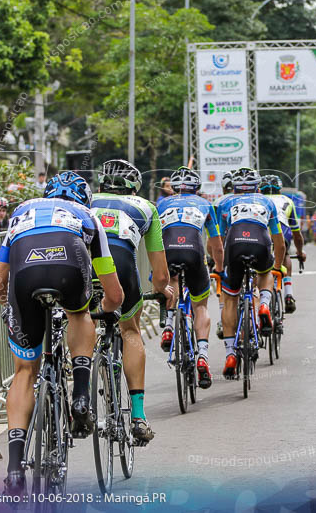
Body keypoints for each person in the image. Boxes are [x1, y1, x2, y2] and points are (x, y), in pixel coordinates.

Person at [0, 171, 124, 495]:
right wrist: (102, 307)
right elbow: (115, 295)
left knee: (24, 371)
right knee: (79, 314)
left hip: (24, 278)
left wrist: (12, 307)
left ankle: (15, 468)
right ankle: (79, 396)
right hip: (69, 265)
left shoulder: (22, 211)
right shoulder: (88, 216)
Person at [90, 159, 175, 444]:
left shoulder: (85, 201)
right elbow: (161, 274)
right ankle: (138, 416)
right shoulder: (146, 207)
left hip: (84, 266)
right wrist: (162, 290)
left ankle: (80, 374)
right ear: (134, 187)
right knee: (130, 330)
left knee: (80, 316)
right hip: (123, 267)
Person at [215, 167, 286, 379]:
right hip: (261, 245)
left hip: (234, 247)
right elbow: (279, 242)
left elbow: (217, 241)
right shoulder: (267, 202)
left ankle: (230, 354)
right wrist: (276, 267)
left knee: (229, 299)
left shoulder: (224, 202)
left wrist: (219, 266)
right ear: (257, 185)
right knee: (266, 273)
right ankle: (264, 303)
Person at [157, 167, 224, 388]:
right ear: (197, 188)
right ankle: (203, 354)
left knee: (172, 281)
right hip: (195, 253)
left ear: (174, 188)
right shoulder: (205, 204)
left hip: (168, 251)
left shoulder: (161, 204)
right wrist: (220, 268)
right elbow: (216, 243)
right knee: (200, 306)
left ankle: (168, 325)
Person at [260, 174, 306, 313]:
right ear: (279, 188)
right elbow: (297, 234)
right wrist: (299, 252)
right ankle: (288, 294)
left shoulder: (258, 200)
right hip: (281, 231)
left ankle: (260, 298)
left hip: (261, 234)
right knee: (285, 254)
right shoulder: (288, 201)